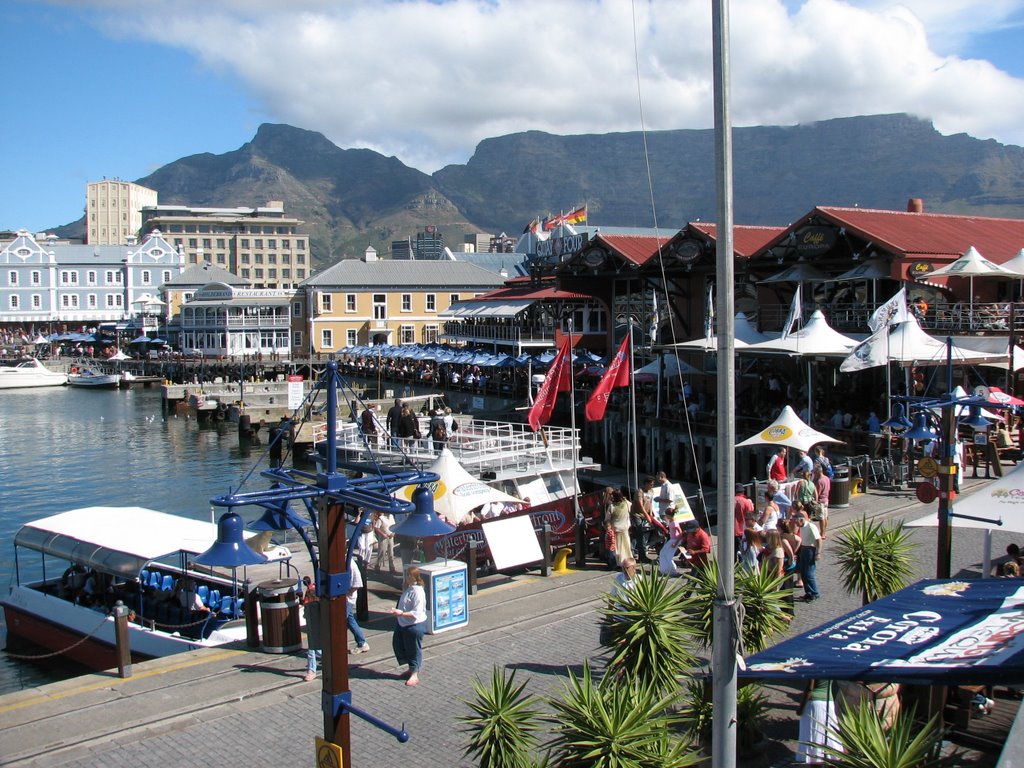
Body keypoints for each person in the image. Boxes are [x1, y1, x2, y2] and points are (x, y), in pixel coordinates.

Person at [390, 566, 428, 686]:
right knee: (398, 643)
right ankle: (411, 668)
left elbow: (416, 612)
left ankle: (415, 673)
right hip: (403, 623)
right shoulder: (409, 588)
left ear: (412, 577)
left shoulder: (418, 591)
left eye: (407, 575)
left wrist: (400, 613)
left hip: (414, 625)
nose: (405, 577)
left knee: (414, 648)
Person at [796, 679, 842, 764]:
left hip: (814, 703)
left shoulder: (815, 668)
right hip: (829, 702)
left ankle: (814, 759)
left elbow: (809, 689)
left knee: (812, 732)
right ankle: (832, 757)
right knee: (829, 733)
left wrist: (801, 708)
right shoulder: (831, 667)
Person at [347, 560, 371, 655]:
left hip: (348, 599)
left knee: (341, 622)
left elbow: (357, 584)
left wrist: (347, 594)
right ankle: (362, 643)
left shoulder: (351, 565)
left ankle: (361, 643)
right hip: (346, 598)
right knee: (349, 620)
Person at [797, 513, 822, 601]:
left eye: (796, 522)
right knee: (803, 573)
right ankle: (808, 593)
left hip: (810, 550)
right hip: (804, 549)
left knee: (808, 574)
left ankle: (815, 593)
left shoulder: (811, 526)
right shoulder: (802, 526)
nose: (796, 524)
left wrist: (818, 553)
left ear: (801, 520)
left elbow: (818, 540)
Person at [630, 478, 656, 563]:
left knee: (639, 534)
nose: (652, 486)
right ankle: (642, 556)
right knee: (640, 535)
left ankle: (634, 551)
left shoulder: (651, 491)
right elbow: (640, 505)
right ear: (646, 484)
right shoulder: (639, 492)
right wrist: (646, 515)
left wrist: (651, 514)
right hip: (637, 515)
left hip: (645, 515)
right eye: (651, 484)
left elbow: (651, 502)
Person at [605, 487, 632, 566]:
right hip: (625, 528)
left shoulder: (612, 506)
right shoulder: (627, 503)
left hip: (615, 529)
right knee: (626, 546)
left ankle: (618, 562)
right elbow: (631, 509)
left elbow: (607, 519)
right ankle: (628, 561)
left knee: (617, 548)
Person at [302, 576, 321, 682]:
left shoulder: (310, 592)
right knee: (313, 649)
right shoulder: (314, 591)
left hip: (314, 625)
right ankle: (311, 670)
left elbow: (305, 608)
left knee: (314, 649)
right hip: (313, 625)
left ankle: (311, 671)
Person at [734, 483, 754, 555]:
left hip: (731, 531)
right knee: (742, 551)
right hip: (743, 530)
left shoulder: (730, 501)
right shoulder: (747, 502)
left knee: (733, 551)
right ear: (742, 491)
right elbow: (751, 515)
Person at [813, 464, 832, 539]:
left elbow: (818, 492)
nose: (814, 473)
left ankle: (822, 534)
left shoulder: (819, 481)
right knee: (825, 516)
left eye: (815, 472)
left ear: (818, 472)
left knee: (821, 518)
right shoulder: (827, 478)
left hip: (821, 501)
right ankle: (824, 531)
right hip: (826, 500)